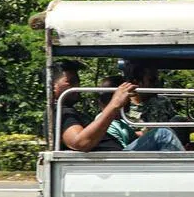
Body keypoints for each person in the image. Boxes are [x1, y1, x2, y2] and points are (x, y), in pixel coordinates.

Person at [52, 64, 183, 152]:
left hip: (116, 156)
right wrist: (115, 104)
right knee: (163, 134)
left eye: (77, 81)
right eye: (70, 82)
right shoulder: (63, 113)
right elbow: (80, 142)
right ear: (52, 86)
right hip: (113, 162)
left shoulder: (71, 112)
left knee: (167, 129)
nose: (77, 86)